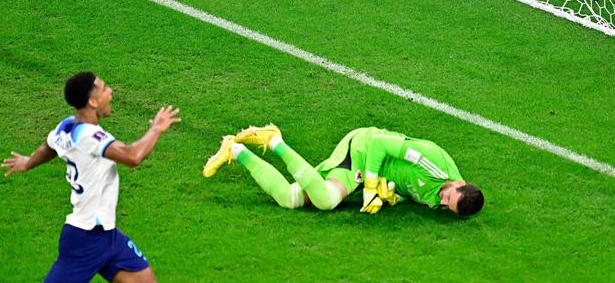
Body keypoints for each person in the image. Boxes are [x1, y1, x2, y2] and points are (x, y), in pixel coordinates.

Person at [1, 71, 181, 283]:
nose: (110, 91)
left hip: (108, 234)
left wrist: (28, 162)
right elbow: (132, 156)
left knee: (144, 279)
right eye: (104, 88)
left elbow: (50, 145)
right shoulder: (89, 136)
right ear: (93, 101)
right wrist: (156, 129)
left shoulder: (67, 125)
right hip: (86, 239)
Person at [203, 124, 483, 216]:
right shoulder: (432, 161)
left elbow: (412, 189)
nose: (442, 202)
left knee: (291, 199)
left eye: (448, 207)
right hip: (361, 148)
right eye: (448, 197)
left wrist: (391, 195)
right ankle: (274, 140)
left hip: (369, 171)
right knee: (325, 200)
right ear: (460, 183)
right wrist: (372, 185)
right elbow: (381, 144)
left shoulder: (441, 200)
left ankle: (235, 150)